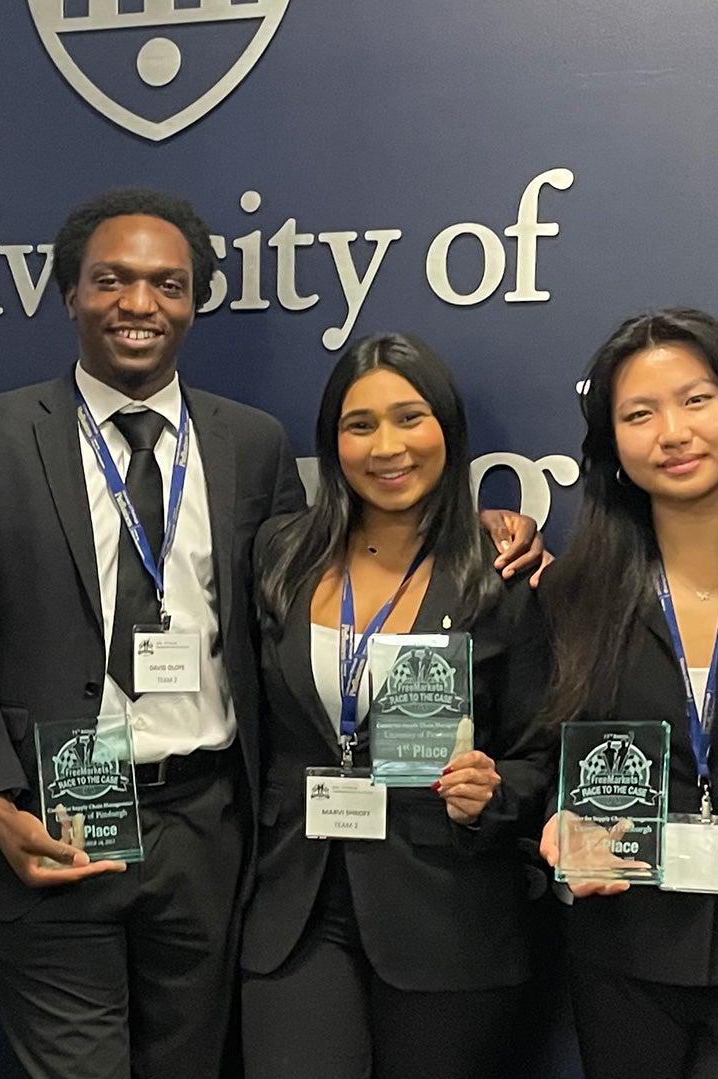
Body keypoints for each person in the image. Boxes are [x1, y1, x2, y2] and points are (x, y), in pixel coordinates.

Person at [0, 187, 542, 1079]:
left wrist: (485, 531)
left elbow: (305, 595)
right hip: (54, 817)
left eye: (168, 284)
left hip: (209, 830)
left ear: (194, 301)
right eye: (113, 280)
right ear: (70, 295)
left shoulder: (250, 444)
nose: (141, 303)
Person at [238, 333, 554, 1078]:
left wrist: (494, 793)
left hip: (447, 918)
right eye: (360, 424)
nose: (388, 445)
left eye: (410, 417)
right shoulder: (278, 555)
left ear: (448, 429)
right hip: (296, 911)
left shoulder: (498, 574)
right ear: (332, 442)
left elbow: (544, 751)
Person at [537, 309, 718, 1077]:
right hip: (622, 950)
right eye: (640, 413)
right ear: (611, 443)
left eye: (696, 400)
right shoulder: (570, 593)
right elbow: (538, 754)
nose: (672, 432)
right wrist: (553, 823)